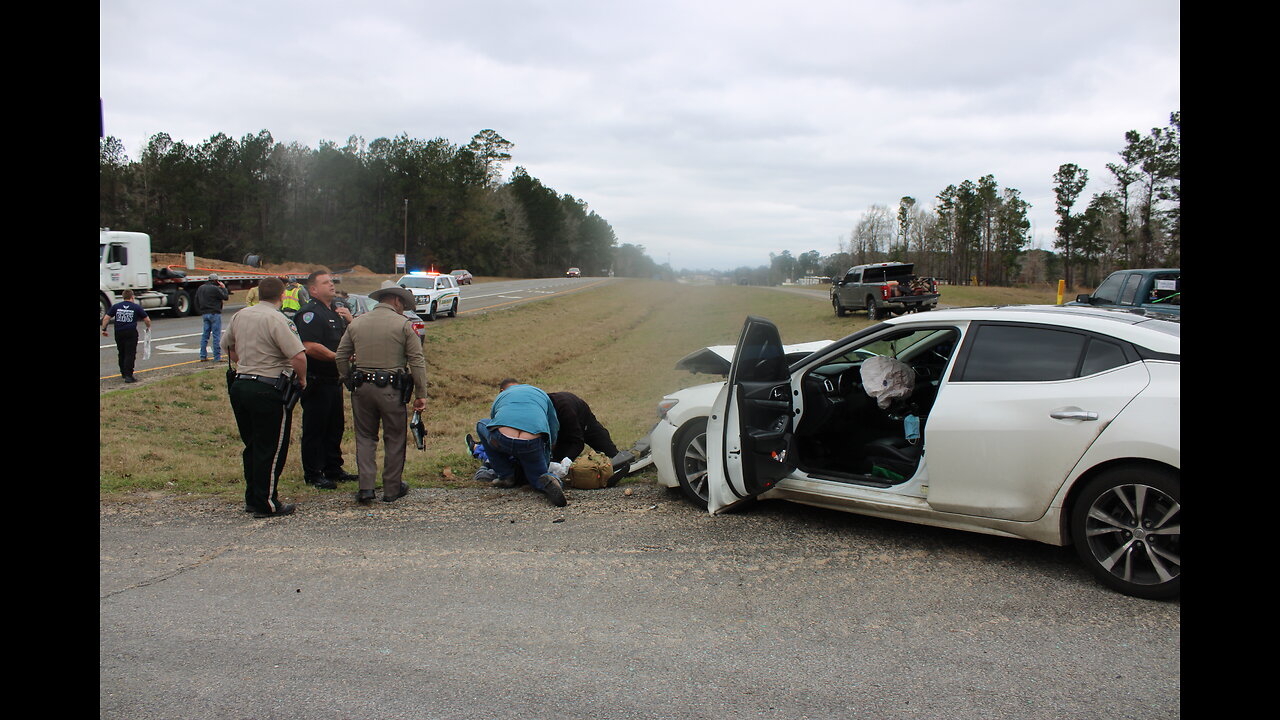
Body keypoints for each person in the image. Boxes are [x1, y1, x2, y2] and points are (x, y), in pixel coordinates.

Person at [335, 281, 428, 504]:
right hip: (391, 390)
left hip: (362, 388)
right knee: (394, 437)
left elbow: (340, 356)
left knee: (365, 437)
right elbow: (416, 360)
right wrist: (420, 393)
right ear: (395, 300)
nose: (403, 308)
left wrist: (349, 381)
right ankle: (391, 488)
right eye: (403, 303)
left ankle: (366, 488)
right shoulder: (403, 325)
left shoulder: (357, 323)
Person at [223, 276, 307, 518]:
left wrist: (249, 362)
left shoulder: (241, 315)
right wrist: (302, 380)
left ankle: (252, 497)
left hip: (241, 385)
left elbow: (227, 346)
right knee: (270, 448)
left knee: (252, 445)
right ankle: (267, 502)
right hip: (268, 387)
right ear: (282, 296)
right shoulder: (278, 319)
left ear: (258, 294)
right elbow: (298, 356)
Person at [295, 270, 357, 489]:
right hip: (317, 380)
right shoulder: (310, 314)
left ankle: (333, 467)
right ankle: (313, 472)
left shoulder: (336, 311)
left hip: (335, 380)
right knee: (315, 428)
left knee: (335, 426)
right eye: (325, 282)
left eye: (331, 281)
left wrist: (350, 322)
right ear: (313, 289)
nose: (331, 285)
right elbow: (309, 346)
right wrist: (338, 358)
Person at [476, 380, 567, 507]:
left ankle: (505, 475)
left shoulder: (502, 395)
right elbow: (553, 427)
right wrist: (547, 454)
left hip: (503, 439)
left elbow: (494, 422)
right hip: (531, 443)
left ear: (502, 390)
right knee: (537, 477)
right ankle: (550, 481)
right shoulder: (541, 394)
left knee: (482, 424)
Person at [101, 289, 152, 383]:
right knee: (130, 353)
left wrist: (104, 329)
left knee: (121, 352)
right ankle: (129, 376)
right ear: (132, 297)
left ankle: (123, 373)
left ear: (123, 297)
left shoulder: (116, 306)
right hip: (131, 332)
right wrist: (148, 328)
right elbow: (147, 319)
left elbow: (106, 318)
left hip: (119, 332)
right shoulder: (136, 307)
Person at [195, 272, 230, 361]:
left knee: (205, 336)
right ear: (216, 281)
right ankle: (217, 357)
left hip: (205, 313)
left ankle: (203, 355)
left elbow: (196, 300)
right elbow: (225, 297)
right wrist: (224, 288)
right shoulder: (215, 289)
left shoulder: (201, 288)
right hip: (214, 313)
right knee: (216, 336)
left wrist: (201, 310)